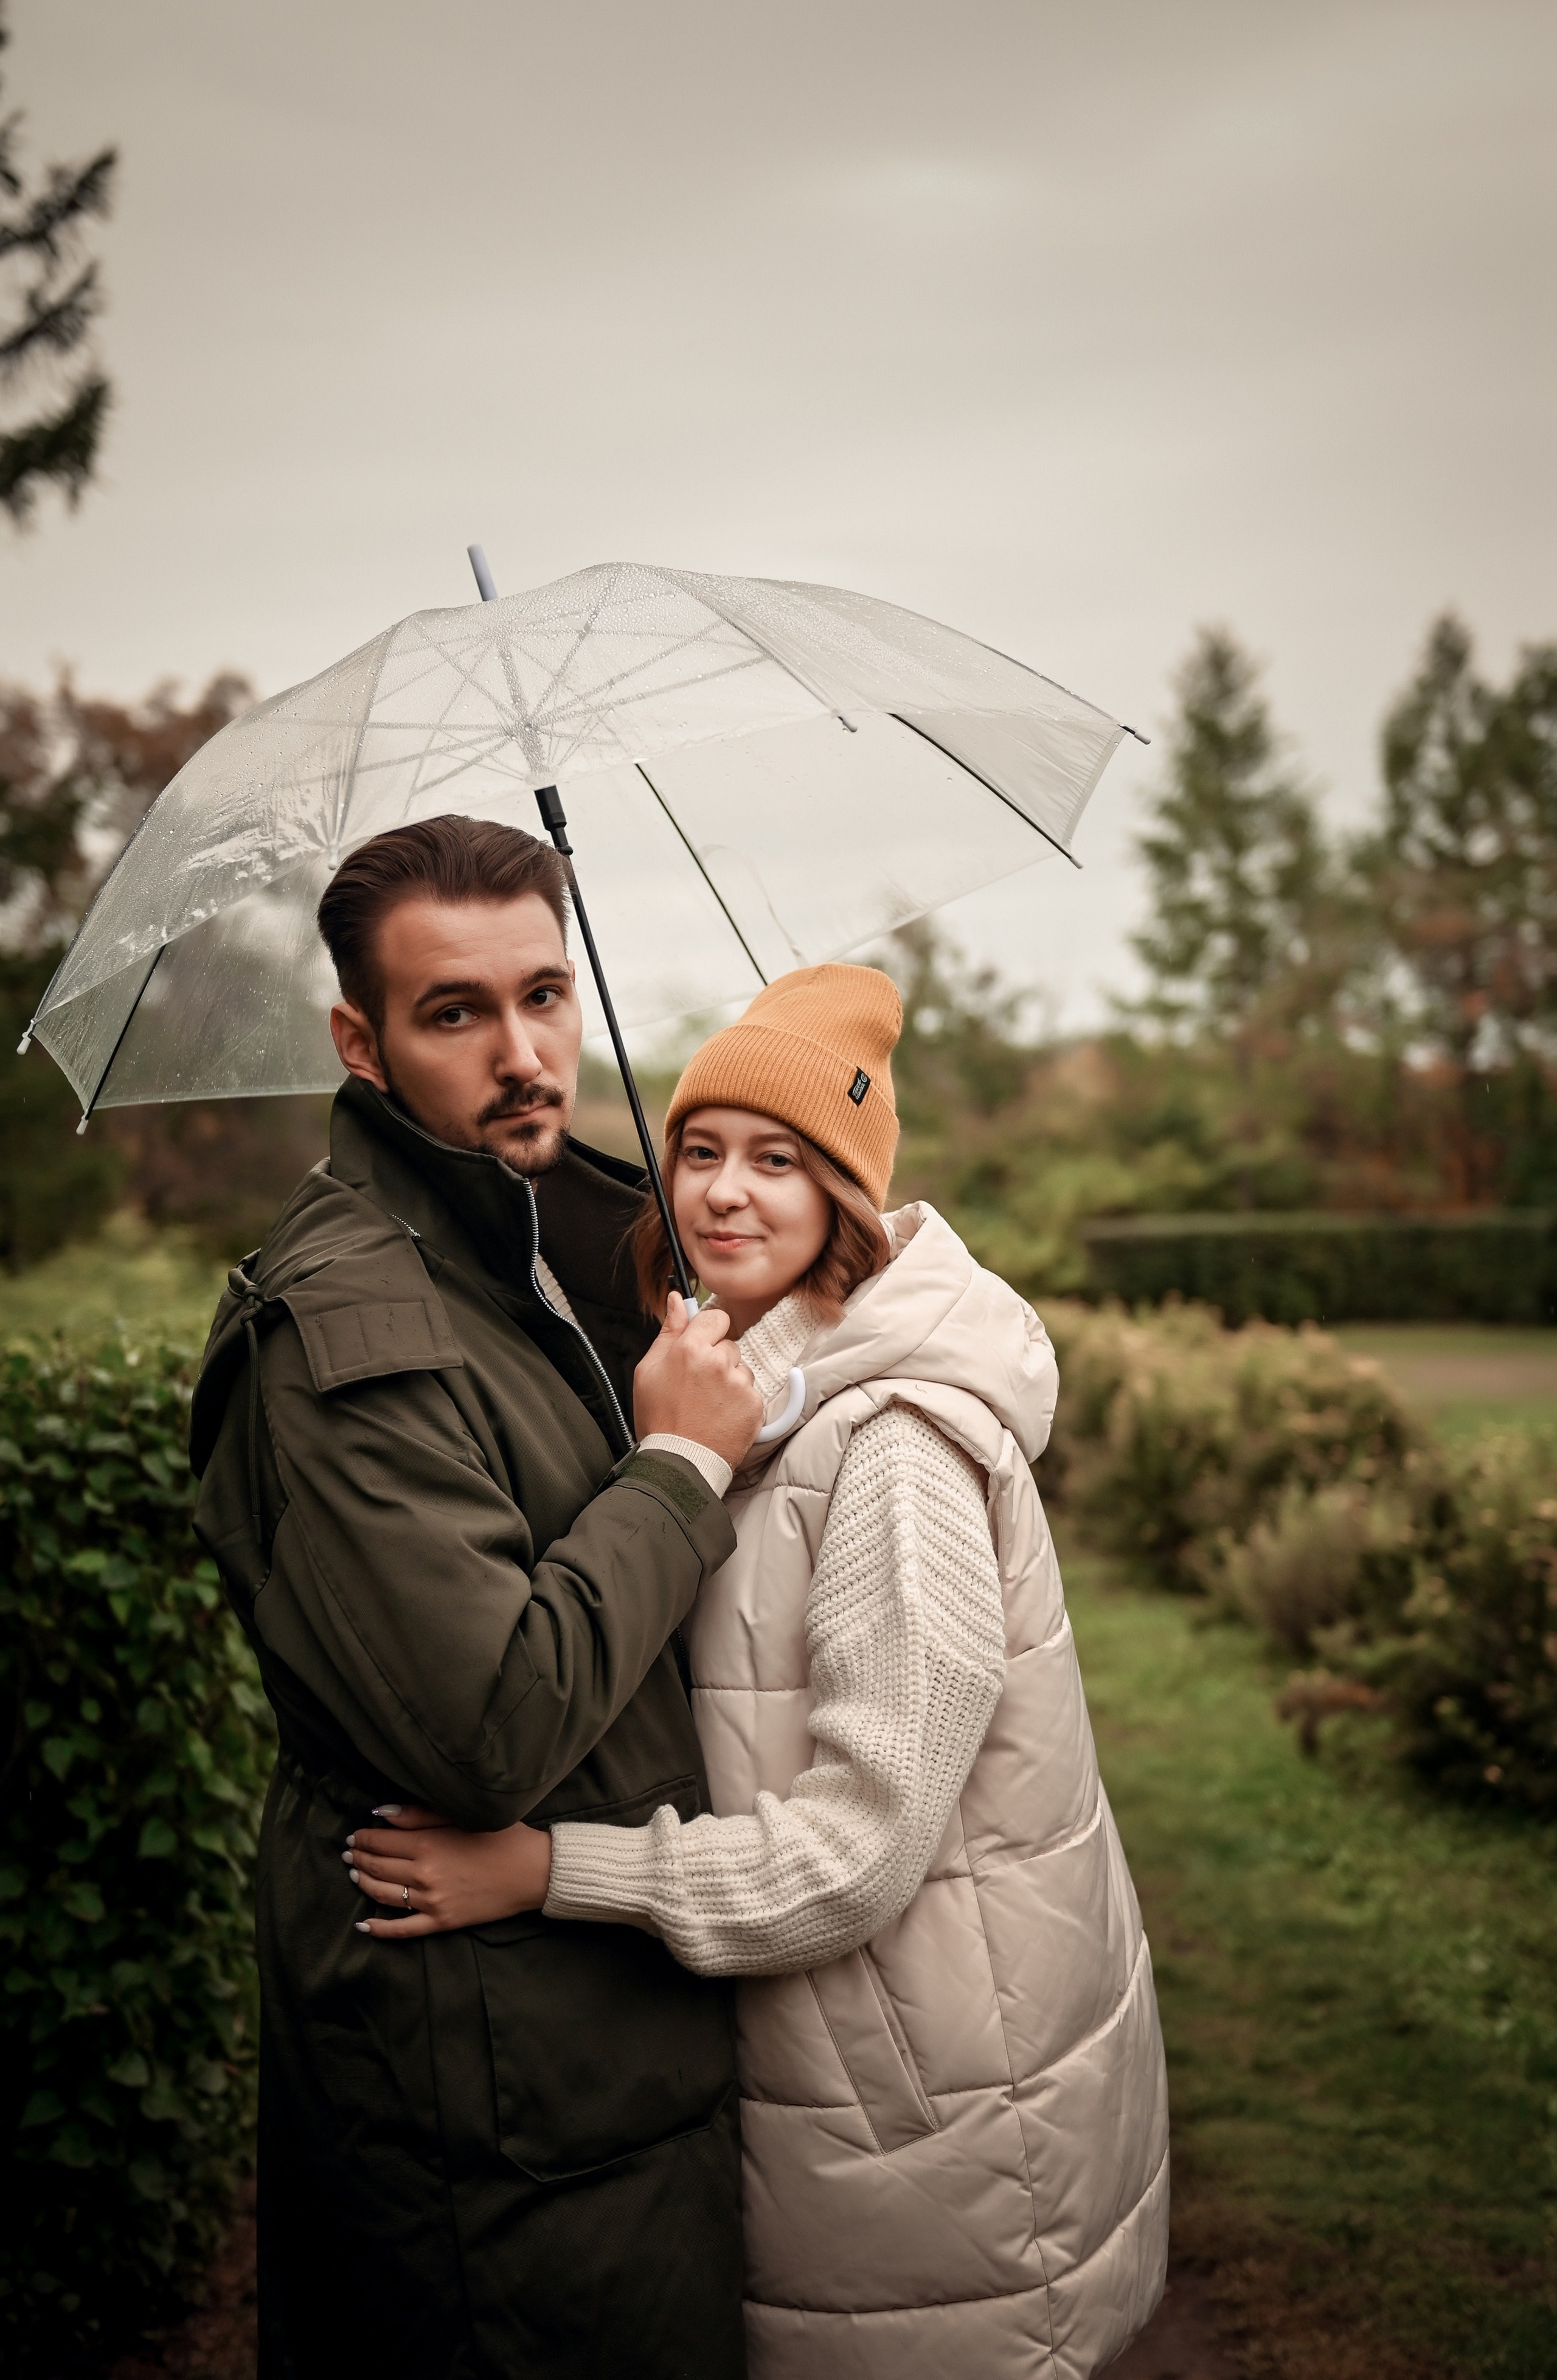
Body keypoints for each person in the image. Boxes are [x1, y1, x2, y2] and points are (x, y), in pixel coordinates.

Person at [344, 963, 1171, 2379]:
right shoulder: (769, 1398)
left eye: (778, 1161)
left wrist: (544, 1871)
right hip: (866, 2086)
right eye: (700, 1151)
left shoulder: (890, 1447)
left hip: (929, 2117)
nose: (724, 1193)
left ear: (845, 1197)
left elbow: (857, 1854)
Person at [188, 815, 765, 2380]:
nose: (522, 1056)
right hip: (494, 2099)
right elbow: (487, 1724)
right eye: (455, 1012)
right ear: (359, 1043)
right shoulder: (349, 1329)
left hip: (596, 2051)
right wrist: (678, 1468)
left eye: (543, 995)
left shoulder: (547, 1245)